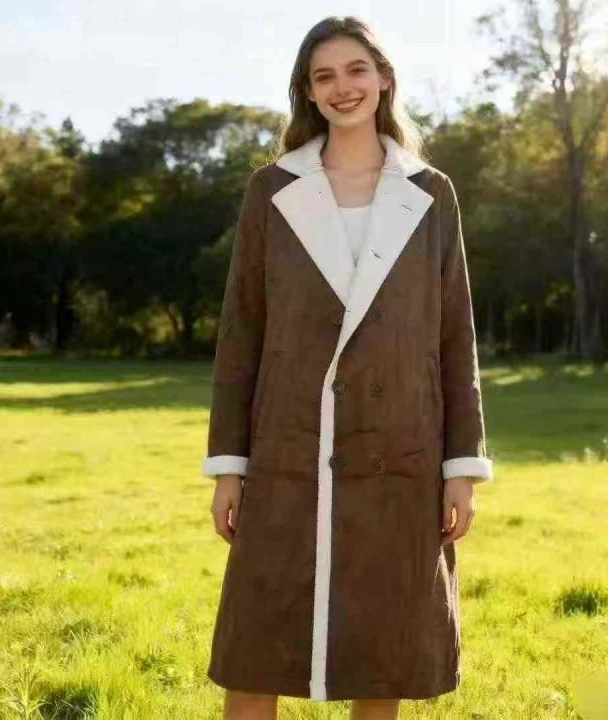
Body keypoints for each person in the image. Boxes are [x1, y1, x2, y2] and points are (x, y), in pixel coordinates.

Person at [202, 15, 494, 720]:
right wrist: (229, 467)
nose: (343, 87)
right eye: (324, 76)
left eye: (357, 70)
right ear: (307, 91)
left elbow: (455, 335)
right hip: (287, 447)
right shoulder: (272, 190)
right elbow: (241, 334)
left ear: (384, 78)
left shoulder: (432, 192)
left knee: (384, 649)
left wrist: (461, 467)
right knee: (256, 644)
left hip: (402, 449)